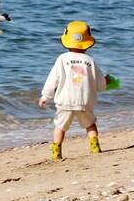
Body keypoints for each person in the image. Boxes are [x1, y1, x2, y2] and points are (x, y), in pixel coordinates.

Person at [38, 20, 112, 160]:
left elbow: (53, 79)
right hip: (84, 101)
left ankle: (56, 151)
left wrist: (45, 96)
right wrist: (106, 82)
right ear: (88, 42)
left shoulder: (62, 59)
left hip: (65, 101)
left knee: (60, 126)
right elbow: (99, 83)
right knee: (90, 124)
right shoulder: (89, 60)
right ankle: (95, 146)